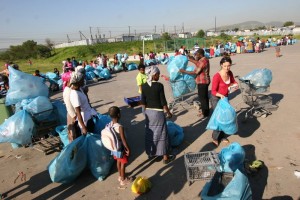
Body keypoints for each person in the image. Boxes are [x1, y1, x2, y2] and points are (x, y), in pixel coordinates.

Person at [141, 65, 175, 164]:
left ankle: (152, 153)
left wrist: (145, 112)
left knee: (151, 133)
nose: (159, 76)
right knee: (162, 134)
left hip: (148, 113)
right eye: (158, 74)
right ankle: (165, 157)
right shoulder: (159, 86)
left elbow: (143, 101)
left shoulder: (143, 86)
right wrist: (168, 112)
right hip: (158, 113)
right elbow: (163, 102)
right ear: (154, 75)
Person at [210, 57, 238, 146]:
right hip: (216, 98)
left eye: (229, 66)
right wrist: (220, 95)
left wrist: (235, 85)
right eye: (225, 66)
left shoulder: (230, 73)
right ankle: (215, 137)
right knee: (219, 119)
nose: (227, 68)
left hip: (225, 97)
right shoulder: (217, 76)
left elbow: (233, 81)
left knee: (225, 117)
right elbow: (213, 91)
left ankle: (222, 136)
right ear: (221, 65)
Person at [179, 49, 210, 118]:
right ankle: (206, 111)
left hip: (203, 81)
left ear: (200, 54)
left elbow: (195, 72)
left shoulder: (203, 61)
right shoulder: (203, 59)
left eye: (196, 54)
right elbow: (197, 63)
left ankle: (205, 113)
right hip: (203, 81)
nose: (195, 56)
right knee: (204, 97)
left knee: (202, 98)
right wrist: (190, 59)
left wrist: (184, 71)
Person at [107, 106, 131, 187]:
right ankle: (123, 180)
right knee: (123, 163)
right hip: (120, 148)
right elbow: (123, 140)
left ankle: (120, 176)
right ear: (118, 115)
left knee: (118, 161)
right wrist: (128, 149)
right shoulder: (120, 127)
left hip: (114, 148)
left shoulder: (110, 124)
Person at [70, 70, 97, 135]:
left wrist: (85, 91)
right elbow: (78, 112)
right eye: (82, 79)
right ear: (78, 81)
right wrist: (83, 127)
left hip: (88, 116)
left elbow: (86, 100)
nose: (83, 80)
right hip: (84, 120)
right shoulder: (75, 94)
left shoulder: (80, 89)